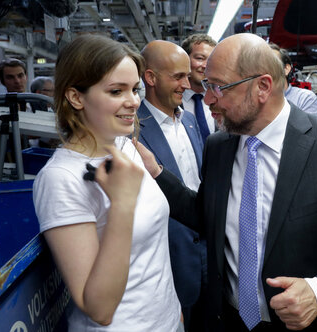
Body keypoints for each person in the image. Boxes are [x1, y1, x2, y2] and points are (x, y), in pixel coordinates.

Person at [137, 33, 317, 332]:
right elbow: (206, 215)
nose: (207, 98)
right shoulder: (219, 146)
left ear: (262, 87)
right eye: (207, 86)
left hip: (311, 325)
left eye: (218, 87)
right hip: (230, 321)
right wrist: (156, 171)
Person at [32, 34, 180, 331]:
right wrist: (122, 205)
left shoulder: (125, 147)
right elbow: (99, 309)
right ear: (75, 97)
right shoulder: (60, 179)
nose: (134, 101)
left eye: (135, 89)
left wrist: (175, 315)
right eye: (116, 91)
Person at [138, 40, 206, 332]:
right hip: (169, 264)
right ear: (150, 78)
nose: (187, 85)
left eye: (187, 76)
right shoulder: (133, 131)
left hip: (206, 259)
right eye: (178, 77)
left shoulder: (190, 122)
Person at [268, 43, 317, 117]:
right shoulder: (256, 100)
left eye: (272, 62)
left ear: (286, 69)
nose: (266, 68)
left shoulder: (304, 99)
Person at [181, 34, 218, 141]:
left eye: (211, 60)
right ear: (185, 59)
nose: (206, 65)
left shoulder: (222, 99)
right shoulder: (170, 102)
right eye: (200, 58)